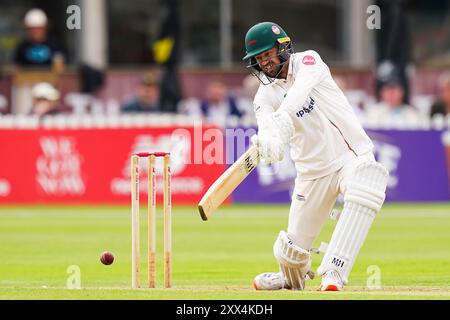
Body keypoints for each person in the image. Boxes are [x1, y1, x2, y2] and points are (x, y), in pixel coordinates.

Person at [243, 22, 389, 292]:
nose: (264, 62)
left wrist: (283, 117)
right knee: (291, 256)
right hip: (311, 174)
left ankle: (333, 272)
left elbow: (300, 92)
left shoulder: (309, 61)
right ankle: (285, 278)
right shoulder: (263, 96)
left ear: (283, 47)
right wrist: (269, 142)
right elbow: (266, 127)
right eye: (259, 58)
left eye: (268, 54)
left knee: (369, 182)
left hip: (349, 155)